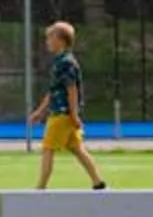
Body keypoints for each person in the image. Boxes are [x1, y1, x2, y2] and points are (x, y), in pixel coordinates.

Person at [28, 20, 107, 190]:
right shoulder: (59, 62)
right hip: (61, 113)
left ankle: (41, 187)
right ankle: (98, 182)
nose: (47, 42)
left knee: (48, 149)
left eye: (50, 38)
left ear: (61, 40)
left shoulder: (66, 63)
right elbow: (53, 91)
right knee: (77, 149)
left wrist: (74, 114)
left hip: (62, 115)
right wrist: (40, 112)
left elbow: (72, 90)